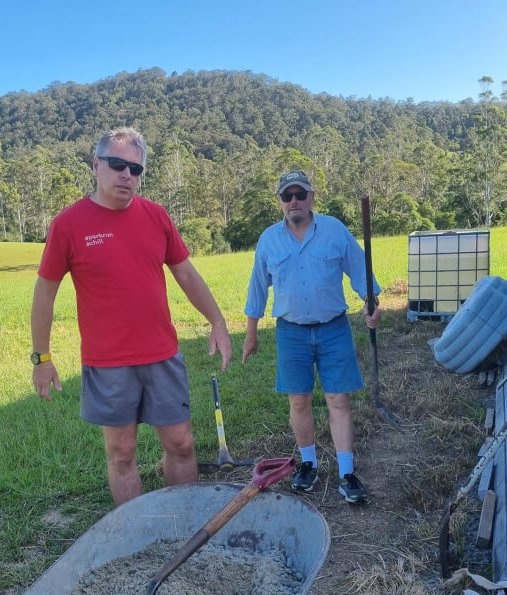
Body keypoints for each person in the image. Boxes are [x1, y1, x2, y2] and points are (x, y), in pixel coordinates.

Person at [31, 127, 231, 505]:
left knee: (182, 443)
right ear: (96, 165)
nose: (127, 175)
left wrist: (217, 321)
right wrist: (42, 358)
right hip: (108, 363)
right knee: (122, 454)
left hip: (162, 354)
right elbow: (45, 292)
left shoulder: (155, 216)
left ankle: (185, 522)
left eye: (136, 169)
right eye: (118, 165)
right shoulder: (69, 224)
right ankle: (137, 538)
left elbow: (186, 273)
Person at [242, 169, 381, 502]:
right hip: (291, 333)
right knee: (299, 400)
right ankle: (308, 464)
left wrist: (371, 302)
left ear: (311, 197)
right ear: (279, 202)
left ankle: (347, 473)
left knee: (338, 400)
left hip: (334, 329)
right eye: (287, 196)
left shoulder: (334, 230)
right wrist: (250, 334)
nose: (294, 201)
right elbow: (257, 288)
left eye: (300, 194)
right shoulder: (269, 240)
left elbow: (360, 269)